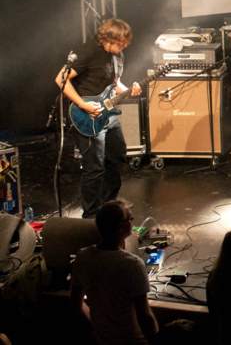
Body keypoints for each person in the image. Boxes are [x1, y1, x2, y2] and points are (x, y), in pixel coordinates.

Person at [55, 18, 141, 218]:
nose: (123, 47)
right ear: (107, 39)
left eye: (125, 44)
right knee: (94, 167)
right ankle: (91, 213)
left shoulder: (118, 56)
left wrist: (130, 90)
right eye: (120, 43)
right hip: (86, 115)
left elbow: (115, 83)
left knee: (117, 157)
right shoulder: (89, 52)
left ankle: (109, 205)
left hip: (108, 114)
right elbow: (61, 79)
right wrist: (83, 104)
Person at [70, 200, 158, 345]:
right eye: (130, 219)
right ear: (121, 227)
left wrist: (99, 328)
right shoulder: (133, 264)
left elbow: (75, 304)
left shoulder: (82, 257)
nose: (132, 222)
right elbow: (145, 316)